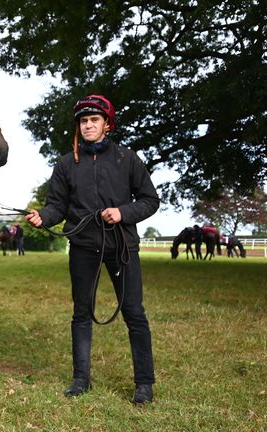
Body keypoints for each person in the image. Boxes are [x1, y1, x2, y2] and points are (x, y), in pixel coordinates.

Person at [25, 94, 159, 405]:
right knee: (81, 312)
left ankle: (144, 383)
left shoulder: (127, 159)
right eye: (84, 121)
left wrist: (123, 213)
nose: (88, 125)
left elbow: (150, 200)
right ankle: (81, 379)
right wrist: (42, 217)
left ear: (107, 124)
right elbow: (56, 206)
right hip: (83, 247)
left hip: (122, 246)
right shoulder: (65, 164)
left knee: (134, 313)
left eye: (94, 120)